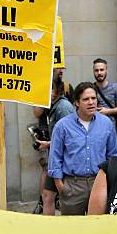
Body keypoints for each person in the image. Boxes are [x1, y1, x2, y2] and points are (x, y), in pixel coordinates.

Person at [48, 82, 117, 215]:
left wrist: (110, 183)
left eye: (93, 98)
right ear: (76, 102)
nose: (91, 102)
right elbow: (55, 157)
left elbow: (113, 155)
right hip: (73, 185)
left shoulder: (106, 124)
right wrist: (61, 186)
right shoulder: (62, 126)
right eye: (86, 99)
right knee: (73, 230)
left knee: (98, 228)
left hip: (99, 182)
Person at [34, 74, 75, 215]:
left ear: (57, 90)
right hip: (56, 156)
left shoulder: (63, 107)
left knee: (64, 198)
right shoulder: (53, 106)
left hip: (64, 159)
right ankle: (48, 228)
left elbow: (70, 138)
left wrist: (49, 144)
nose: (48, 93)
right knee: (47, 195)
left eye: (50, 90)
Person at [92, 58, 117, 125]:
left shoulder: (115, 87)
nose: (99, 73)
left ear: (106, 71)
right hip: (94, 125)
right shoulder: (90, 88)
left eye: (102, 70)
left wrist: (107, 111)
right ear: (93, 72)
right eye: (96, 70)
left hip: (111, 126)